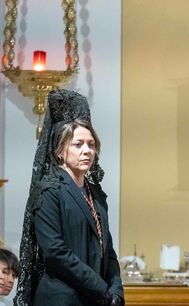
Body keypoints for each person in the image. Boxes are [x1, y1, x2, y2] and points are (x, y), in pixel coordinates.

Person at [14, 90, 123, 306]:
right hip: (61, 298)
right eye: (78, 144)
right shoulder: (49, 191)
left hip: (95, 298)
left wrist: (116, 289)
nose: (87, 151)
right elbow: (56, 253)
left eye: (91, 144)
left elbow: (108, 251)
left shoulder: (96, 193)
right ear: (60, 151)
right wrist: (102, 289)